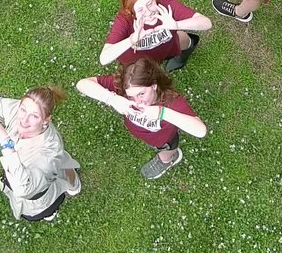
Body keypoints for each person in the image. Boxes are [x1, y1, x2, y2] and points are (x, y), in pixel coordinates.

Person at [0, 84, 83, 221]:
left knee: (46, 206)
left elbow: (24, 189)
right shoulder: (15, 110)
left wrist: (5, 142)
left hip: (37, 193)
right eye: (23, 109)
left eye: (34, 116)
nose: (24, 120)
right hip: (31, 175)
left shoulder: (49, 152)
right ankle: (70, 180)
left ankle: (70, 187)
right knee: (62, 165)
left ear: (46, 121)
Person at [75, 58, 204, 180]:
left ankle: (169, 159)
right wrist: (112, 99)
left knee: (167, 150)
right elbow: (82, 84)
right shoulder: (123, 87)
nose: (137, 102)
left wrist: (162, 113)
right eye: (131, 97)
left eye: (141, 94)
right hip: (140, 132)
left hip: (164, 139)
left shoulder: (170, 101)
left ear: (154, 86)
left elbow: (200, 130)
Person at [98, 0, 212, 71]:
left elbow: (206, 23)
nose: (148, 12)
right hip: (139, 63)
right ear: (131, 12)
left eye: (150, 3)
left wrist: (176, 25)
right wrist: (132, 40)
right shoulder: (125, 19)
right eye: (140, 9)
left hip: (167, 48)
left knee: (183, 41)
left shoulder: (165, 5)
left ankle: (186, 51)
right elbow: (104, 58)